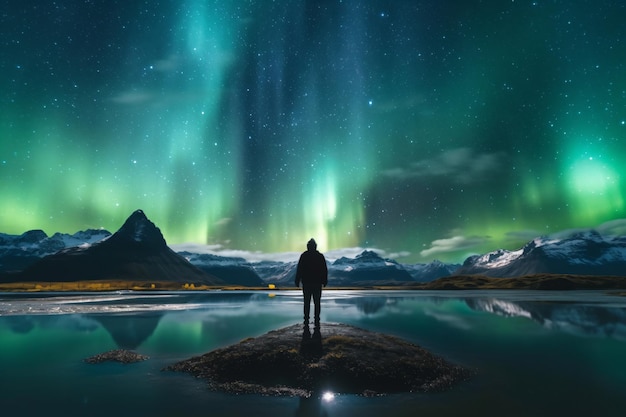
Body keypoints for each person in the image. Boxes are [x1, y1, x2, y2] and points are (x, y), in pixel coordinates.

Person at [295, 238, 328, 329]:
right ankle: (316, 319)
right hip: (316, 283)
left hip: (307, 283)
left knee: (307, 302)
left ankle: (306, 320)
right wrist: (324, 281)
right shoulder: (320, 256)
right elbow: (324, 270)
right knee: (317, 302)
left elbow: (299, 269)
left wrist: (297, 280)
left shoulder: (304, 255)